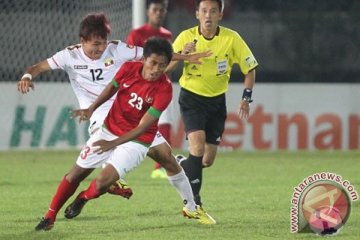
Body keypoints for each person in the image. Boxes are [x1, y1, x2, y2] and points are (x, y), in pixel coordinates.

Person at [17, 13, 213, 231]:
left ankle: (190, 205)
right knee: (79, 172)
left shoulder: (121, 52)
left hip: (133, 116)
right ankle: (66, 206)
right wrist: (27, 77)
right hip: (103, 115)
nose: (100, 49)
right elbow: (38, 67)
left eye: (103, 43)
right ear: (82, 41)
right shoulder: (68, 56)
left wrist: (185, 57)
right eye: (95, 45)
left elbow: (155, 56)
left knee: (166, 157)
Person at [59, 36, 211, 228]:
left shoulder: (162, 84)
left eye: (161, 65)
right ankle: (92, 191)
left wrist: (186, 57)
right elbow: (113, 85)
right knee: (100, 176)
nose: (156, 68)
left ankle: (191, 206)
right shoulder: (128, 64)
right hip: (114, 120)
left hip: (142, 128)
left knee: (169, 160)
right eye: (153, 63)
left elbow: (143, 125)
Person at [170, 0, 258, 224]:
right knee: (197, 147)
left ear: (220, 14)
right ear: (197, 14)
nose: (208, 15)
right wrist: (181, 54)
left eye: (213, 11)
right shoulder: (185, 37)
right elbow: (166, 66)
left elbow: (251, 69)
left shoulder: (231, 38)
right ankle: (194, 204)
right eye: (204, 11)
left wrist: (246, 98)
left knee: (206, 160)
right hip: (191, 98)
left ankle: (180, 164)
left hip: (217, 102)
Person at [127, 0, 174, 179]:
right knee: (133, 125)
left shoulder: (167, 35)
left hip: (162, 87)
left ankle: (159, 168)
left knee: (165, 122)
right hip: (142, 88)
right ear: (148, 12)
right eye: (155, 9)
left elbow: (168, 64)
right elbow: (132, 61)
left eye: (162, 10)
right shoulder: (137, 34)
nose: (159, 13)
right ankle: (116, 162)